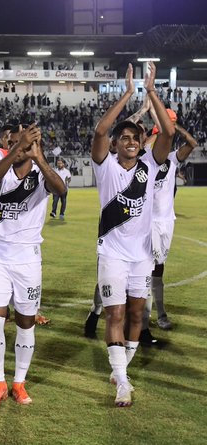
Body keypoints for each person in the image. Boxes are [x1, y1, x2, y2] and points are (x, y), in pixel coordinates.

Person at [90, 62, 174, 407]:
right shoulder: (104, 165)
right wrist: (127, 93)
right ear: (116, 144)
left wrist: (151, 91)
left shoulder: (150, 166)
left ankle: (122, 367)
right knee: (116, 315)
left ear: (141, 144)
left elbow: (167, 134)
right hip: (111, 253)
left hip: (141, 255)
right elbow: (99, 132)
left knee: (138, 315)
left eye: (135, 138)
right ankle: (122, 382)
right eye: (123, 137)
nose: (129, 141)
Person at [0, 124, 65, 408]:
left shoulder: (41, 174)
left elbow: (61, 190)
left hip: (28, 260)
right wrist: (17, 148)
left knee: (26, 324)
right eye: (14, 143)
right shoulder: (0, 166)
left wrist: (39, 157)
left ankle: (19, 382)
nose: (18, 148)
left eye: (24, 144)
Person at [145, 114, 199, 331]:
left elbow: (193, 143)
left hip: (167, 222)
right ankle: (150, 315)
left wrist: (177, 127)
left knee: (158, 269)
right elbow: (144, 143)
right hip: (147, 222)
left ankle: (157, 313)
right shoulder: (145, 157)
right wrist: (156, 131)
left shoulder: (173, 158)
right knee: (144, 268)